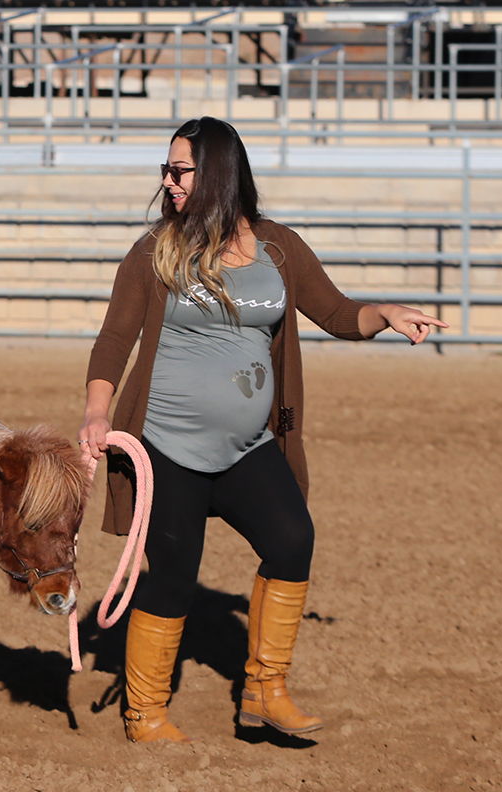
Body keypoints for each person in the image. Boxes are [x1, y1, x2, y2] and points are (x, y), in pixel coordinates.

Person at [78, 117, 447, 743]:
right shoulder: (154, 250)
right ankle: (144, 712)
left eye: (180, 170)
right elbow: (115, 337)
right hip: (168, 447)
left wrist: (384, 312)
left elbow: (334, 312)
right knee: (172, 572)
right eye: (165, 170)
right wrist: (96, 411)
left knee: (292, 539)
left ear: (217, 172)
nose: (167, 182)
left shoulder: (278, 247)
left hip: (249, 447)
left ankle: (264, 690)